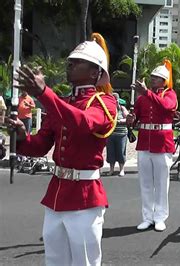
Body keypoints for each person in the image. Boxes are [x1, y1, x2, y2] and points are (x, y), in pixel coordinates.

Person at [7, 33, 116, 266]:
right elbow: (40, 145)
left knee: (84, 262)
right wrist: (20, 136)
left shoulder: (105, 102)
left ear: (95, 72)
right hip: (57, 194)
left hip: (85, 196)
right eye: (70, 61)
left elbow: (83, 123)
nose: (70, 65)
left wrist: (44, 93)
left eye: (77, 62)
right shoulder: (62, 103)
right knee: (54, 261)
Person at [126, 60, 177, 232]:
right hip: (145, 143)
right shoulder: (142, 99)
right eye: (152, 77)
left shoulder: (170, 94)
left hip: (162, 143)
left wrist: (146, 93)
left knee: (162, 183)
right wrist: (131, 121)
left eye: (157, 78)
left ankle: (160, 216)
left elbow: (166, 107)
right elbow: (137, 117)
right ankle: (147, 216)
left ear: (164, 81)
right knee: (146, 183)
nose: (153, 79)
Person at [106, 92, 129, 176]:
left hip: (121, 134)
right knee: (110, 152)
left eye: (115, 99)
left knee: (121, 152)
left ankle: (121, 170)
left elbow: (127, 118)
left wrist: (119, 121)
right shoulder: (108, 109)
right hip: (110, 134)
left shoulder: (122, 108)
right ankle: (111, 169)